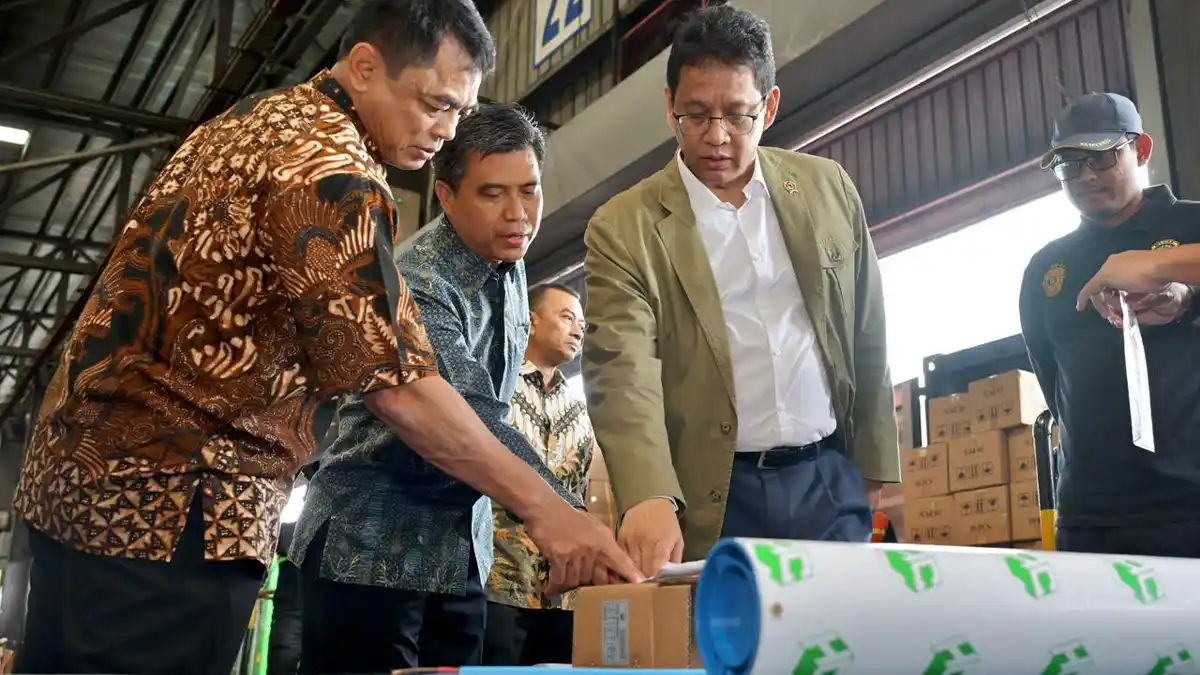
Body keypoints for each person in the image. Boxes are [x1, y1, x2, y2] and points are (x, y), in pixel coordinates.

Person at [11, 3, 633, 674]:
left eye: (460, 109)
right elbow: (401, 386)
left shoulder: (259, 120)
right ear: (365, 66)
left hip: (89, 488)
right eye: (434, 104)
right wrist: (547, 508)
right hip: (172, 510)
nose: (446, 129)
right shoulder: (329, 173)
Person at [293, 104, 638, 674]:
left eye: (529, 191)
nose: (517, 215)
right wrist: (563, 513)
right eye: (492, 193)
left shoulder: (512, 266)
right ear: (447, 196)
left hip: (461, 551)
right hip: (372, 549)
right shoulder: (421, 284)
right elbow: (476, 417)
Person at [581, 4, 899, 579]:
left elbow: (867, 327)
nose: (716, 137)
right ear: (669, 106)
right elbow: (621, 371)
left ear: (770, 107)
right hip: (712, 494)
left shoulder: (828, 190)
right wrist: (648, 492)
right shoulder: (623, 226)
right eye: (695, 116)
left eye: (738, 115)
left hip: (826, 479)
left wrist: (873, 464)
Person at [1019, 92, 1200, 557]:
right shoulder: (1047, 270)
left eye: (1102, 157)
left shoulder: (1192, 227)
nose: (1086, 176)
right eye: (1069, 164)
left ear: (1141, 151)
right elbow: (1053, 381)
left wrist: (1187, 296)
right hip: (1093, 516)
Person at [484, 283, 594, 666]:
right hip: (498, 581)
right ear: (531, 321)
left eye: (582, 323)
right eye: (567, 318)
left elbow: (580, 492)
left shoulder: (580, 408)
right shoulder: (495, 384)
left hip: (562, 593)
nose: (579, 330)